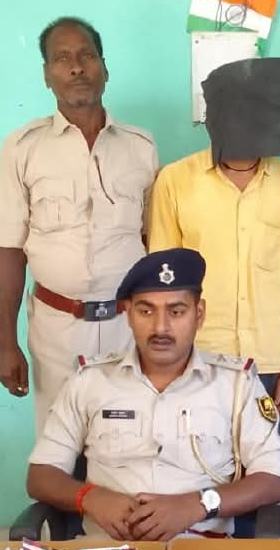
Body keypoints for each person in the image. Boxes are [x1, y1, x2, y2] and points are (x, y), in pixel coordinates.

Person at [27, 248, 280, 540]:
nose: (161, 327)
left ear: (199, 314)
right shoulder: (90, 381)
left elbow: (276, 478)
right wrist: (90, 497)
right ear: (128, 314)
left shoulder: (235, 384)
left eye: (176, 312)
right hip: (109, 546)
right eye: (146, 311)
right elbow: (41, 475)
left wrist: (198, 504)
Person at [0, 17, 158, 430]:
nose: (76, 67)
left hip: (127, 328)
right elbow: (9, 251)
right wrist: (5, 342)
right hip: (56, 332)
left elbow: (152, 243)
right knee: (60, 448)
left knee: (127, 443)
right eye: (62, 58)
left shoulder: (141, 148)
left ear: (105, 68)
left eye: (87, 55)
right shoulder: (22, 148)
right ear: (46, 75)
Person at [148, 149, 280, 536]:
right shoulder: (176, 180)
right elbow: (163, 283)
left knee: (271, 483)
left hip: (270, 366)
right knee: (196, 477)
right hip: (200, 362)